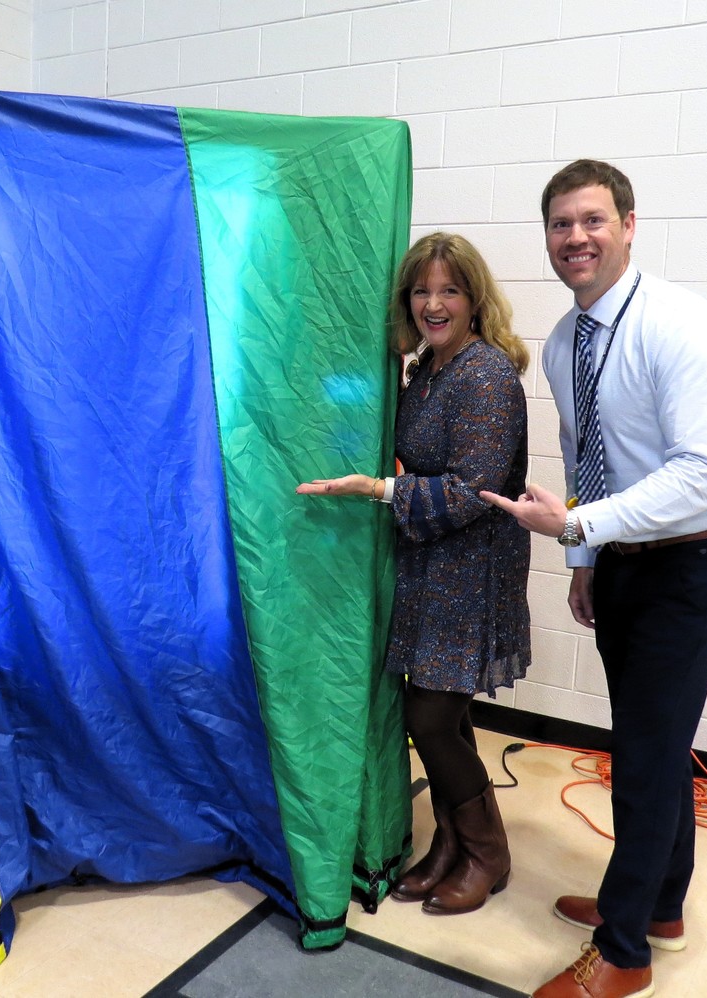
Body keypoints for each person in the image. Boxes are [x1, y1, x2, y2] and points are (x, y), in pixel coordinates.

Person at [481, 160, 707, 998]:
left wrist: (579, 526)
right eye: (561, 225)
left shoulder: (682, 326)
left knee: (640, 758)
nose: (576, 238)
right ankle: (660, 908)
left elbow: (702, 475)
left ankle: (626, 951)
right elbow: (581, 458)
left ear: (630, 225)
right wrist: (585, 560)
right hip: (623, 564)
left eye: (593, 220)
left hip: (692, 563)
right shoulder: (566, 341)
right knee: (656, 751)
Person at [297, 232, 531, 916]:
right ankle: (455, 843)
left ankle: (487, 852)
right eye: (422, 291)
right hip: (429, 564)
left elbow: (470, 491)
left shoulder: (485, 374)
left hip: (469, 570)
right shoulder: (426, 367)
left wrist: (377, 490)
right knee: (439, 712)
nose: (434, 303)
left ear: (473, 298)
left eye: (449, 290)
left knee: (432, 715)